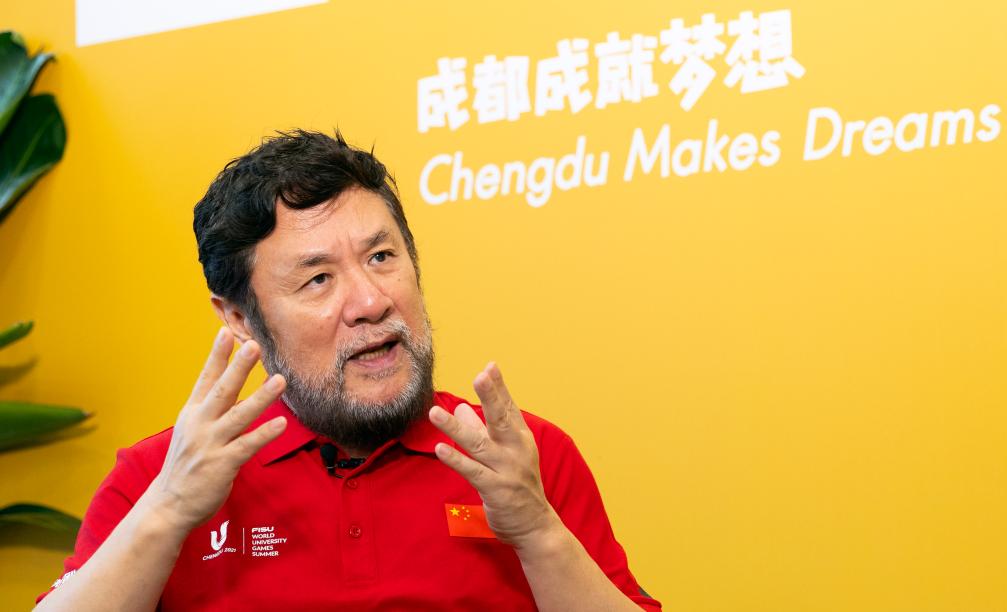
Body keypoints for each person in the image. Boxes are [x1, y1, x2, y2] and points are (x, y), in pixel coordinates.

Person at [34, 130, 661, 611]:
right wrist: (169, 511)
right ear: (241, 319)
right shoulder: (159, 477)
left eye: (382, 257)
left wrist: (536, 530)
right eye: (318, 279)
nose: (369, 301)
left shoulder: (523, 457)